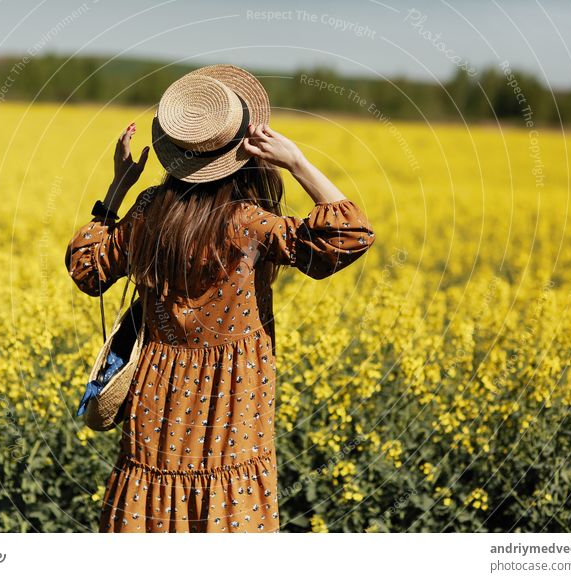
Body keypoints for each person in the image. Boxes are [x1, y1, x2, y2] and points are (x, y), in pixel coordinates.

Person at [65, 65, 375, 532]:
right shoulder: (248, 223)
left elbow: (88, 269)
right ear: (243, 149)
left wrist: (117, 188)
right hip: (233, 399)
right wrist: (297, 163)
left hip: (158, 391)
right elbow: (349, 235)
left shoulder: (149, 211)